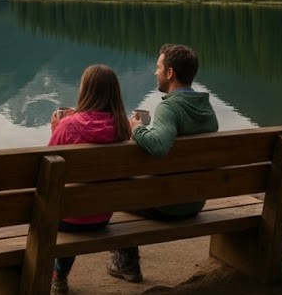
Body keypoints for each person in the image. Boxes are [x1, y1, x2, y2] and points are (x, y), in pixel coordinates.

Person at [106, 43, 219, 283]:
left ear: (170, 73)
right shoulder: (206, 107)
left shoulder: (170, 108)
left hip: (169, 206)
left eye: (158, 67)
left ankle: (127, 261)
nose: (154, 73)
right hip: (196, 200)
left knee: (116, 188)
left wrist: (136, 129)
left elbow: (158, 146)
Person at [48, 64, 132, 295]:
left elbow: (48, 171)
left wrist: (56, 129)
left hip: (68, 218)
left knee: (69, 205)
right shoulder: (124, 128)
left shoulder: (67, 127)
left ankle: (59, 275)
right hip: (103, 215)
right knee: (82, 200)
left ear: (85, 91)